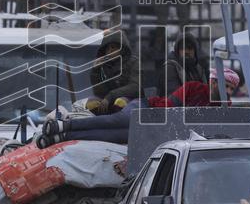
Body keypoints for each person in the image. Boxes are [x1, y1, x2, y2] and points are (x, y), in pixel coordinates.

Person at [37, 68, 238, 147]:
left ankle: (62, 137)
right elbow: (170, 108)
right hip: (147, 109)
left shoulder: (225, 107)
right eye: (225, 85)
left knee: (114, 136)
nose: (227, 91)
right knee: (117, 121)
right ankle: (64, 125)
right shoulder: (194, 87)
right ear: (213, 82)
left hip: (155, 129)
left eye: (231, 88)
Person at [90, 30, 141, 112]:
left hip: (131, 100)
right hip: (109, 100)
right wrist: (95, 71)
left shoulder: (134, 62)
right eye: (107, 48)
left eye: (113, 47)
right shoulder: (105, 65)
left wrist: (111, 96)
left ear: (122, 49)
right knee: (92, 104)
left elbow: (135, 87)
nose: (109, 51)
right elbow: (99, 93)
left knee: (120, 102)